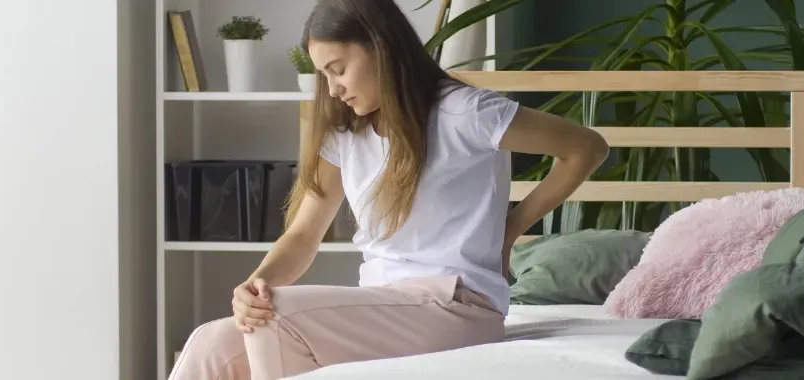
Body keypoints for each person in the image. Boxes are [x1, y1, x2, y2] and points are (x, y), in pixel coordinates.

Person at [167, 0, 609, 379]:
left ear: (380, 47)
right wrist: (255, 285)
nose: (332, 88)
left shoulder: (464, 112)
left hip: (457, 307)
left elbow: (586, 148)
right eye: (323, 75)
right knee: (211, 341)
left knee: (275, 318)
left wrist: (510, 230)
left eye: (338, 70)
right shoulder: (346, 134)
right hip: (383, 303)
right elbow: (302, 235)